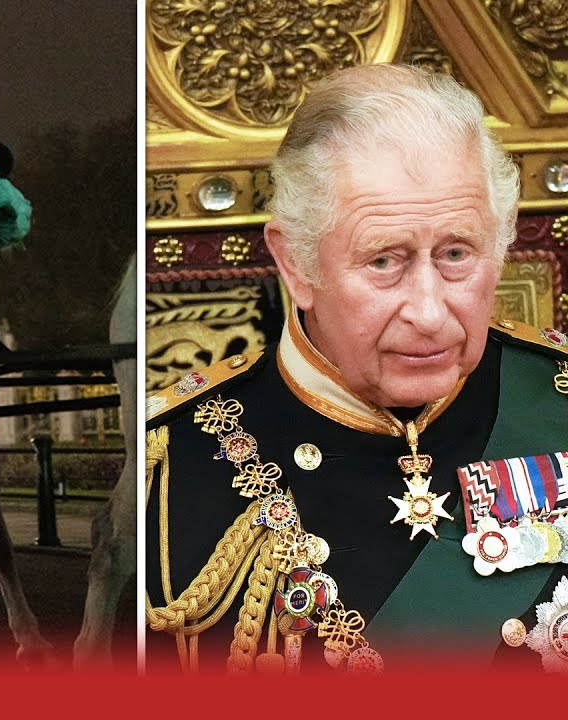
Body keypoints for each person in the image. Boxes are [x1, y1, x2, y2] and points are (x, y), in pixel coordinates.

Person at [145, 63, 568, 675]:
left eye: (456, 254)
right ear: (296, 264)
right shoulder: (172, 459)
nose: (428, 312)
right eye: (383, 261)